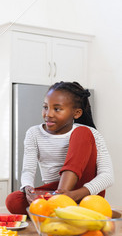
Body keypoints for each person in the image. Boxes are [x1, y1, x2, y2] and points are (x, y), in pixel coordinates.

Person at [6, 81, 114, 214]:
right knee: (13, 200)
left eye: (57, 109)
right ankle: (61, 205)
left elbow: (108, 176)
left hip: (85, 193)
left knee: (83, 133)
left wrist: (74, 195)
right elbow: (28, 169)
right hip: (54, 191)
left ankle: (58, 204)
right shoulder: (33, 133)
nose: (48, 114)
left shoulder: (90, 133)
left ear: (77, 113)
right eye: (45, 107)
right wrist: (27, 187)